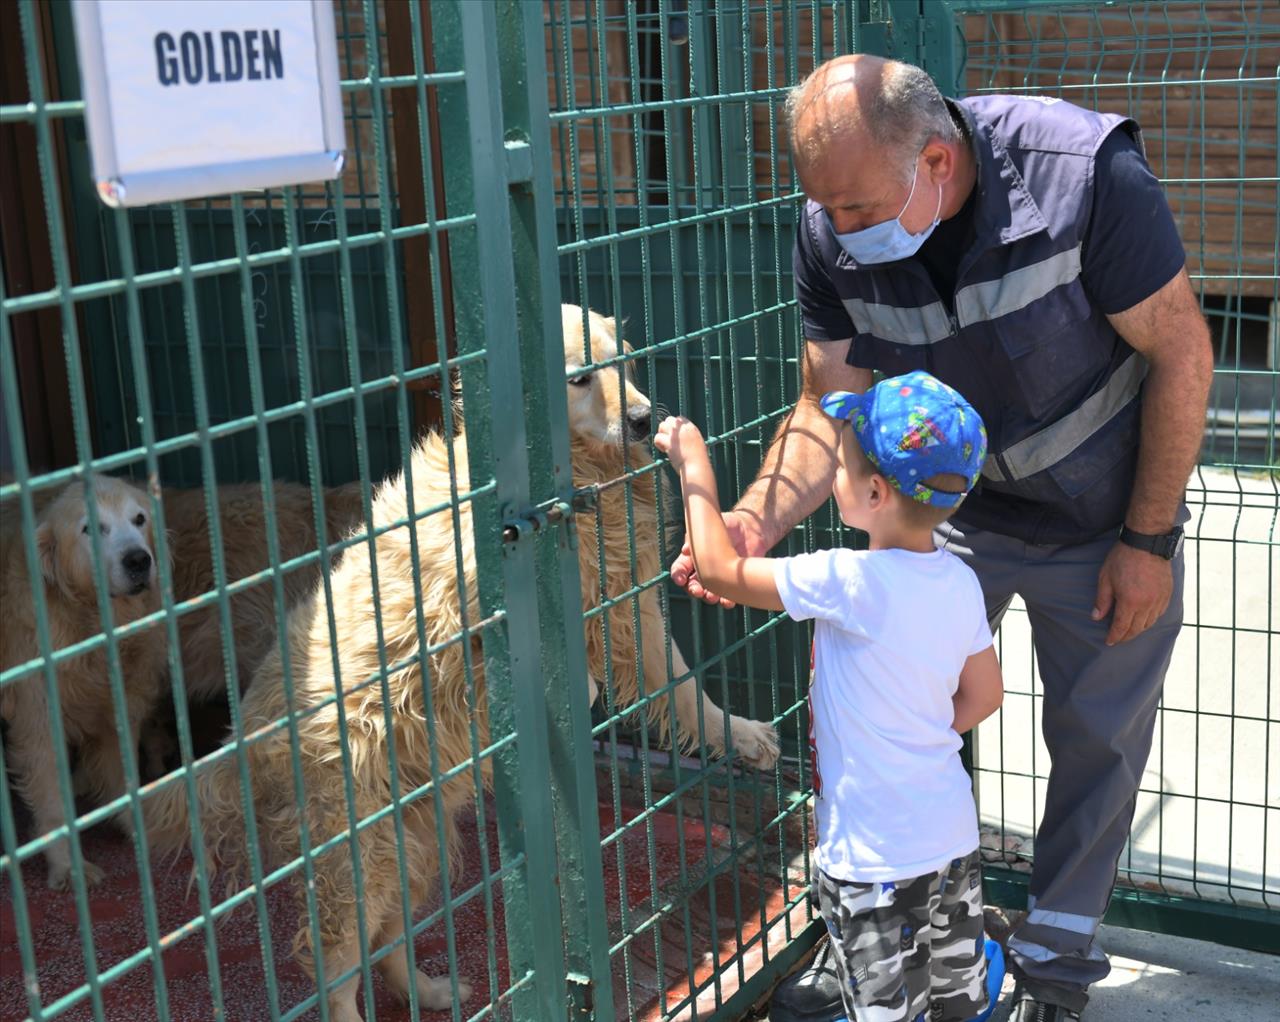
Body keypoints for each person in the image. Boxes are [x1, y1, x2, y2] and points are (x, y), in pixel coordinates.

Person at [671, 55, 1214, 1022]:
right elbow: (826, 402)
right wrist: (757, 517)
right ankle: (896, 942)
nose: (837, 230)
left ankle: (1053, 964)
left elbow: (1183, 350)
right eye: (822, 206)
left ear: (935, 159)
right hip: (955, 521)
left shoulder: (1084, 176)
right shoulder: (829, 229)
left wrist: (1151, 539)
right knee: (903, 713)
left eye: (854, 205)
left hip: (1105, 514)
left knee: (1098, 741)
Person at [655, 370, 1005, 1022]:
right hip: (950, 837)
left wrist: (694, 464)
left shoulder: (845, 579)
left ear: (874, 492)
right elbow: (986, 695)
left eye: (840, 466)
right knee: (955, 1007)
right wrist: (918, 730)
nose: (834, 478)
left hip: (872, 862)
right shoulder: (959, 582)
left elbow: (720, 571)